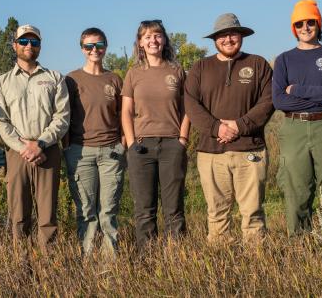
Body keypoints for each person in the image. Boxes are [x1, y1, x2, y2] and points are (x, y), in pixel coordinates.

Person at [184, 13, 274, 242]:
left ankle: (256, 269)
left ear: (241, 35)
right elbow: (191, 103)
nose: (228, 39)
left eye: (233, 34)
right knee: (216, 214)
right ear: (215, 39)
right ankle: (220, 266)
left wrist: (239, 125)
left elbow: (269, 101)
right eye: (222, 35)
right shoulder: (201, 67)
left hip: (250, 150)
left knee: (253, 213)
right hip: (211, 152)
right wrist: (217, 128)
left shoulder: (257, 64)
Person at [272, 0, 322, 236]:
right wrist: (320, 97)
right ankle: (299, 249)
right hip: (294, 128)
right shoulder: (284, 59)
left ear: (319, 23)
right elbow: (279, 101)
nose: (305, 27)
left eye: (310, 22)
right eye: (299, 23)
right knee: (296, 192)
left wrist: (296, 89)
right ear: (293, 28)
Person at [0, 24, 70, 252]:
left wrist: (41, 144)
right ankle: (22, 266)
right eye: (24, 41)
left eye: (34, 42)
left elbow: (62, 117)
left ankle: (47, 266)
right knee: (19, 213)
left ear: (40, 46)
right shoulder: (2, 82)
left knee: (47, 215)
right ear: (14, 45)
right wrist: (24, 147)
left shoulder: (54, 78)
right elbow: (0, 121)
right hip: (17, 153)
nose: (29, 46)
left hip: (48, 150)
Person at [121, 19, 190, 250]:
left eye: (157, 35)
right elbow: (126, 112)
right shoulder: (133, 73)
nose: (153, 40)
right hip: (141, 148)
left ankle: (176, 260)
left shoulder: (176, 70)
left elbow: (186, 110)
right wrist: (131, 144)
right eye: (148, 36)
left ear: (164, 40)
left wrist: (182, 140)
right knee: (144, 210)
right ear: (140, 43)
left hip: (172, 145)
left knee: (174, 209)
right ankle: (147, 261)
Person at [63, 27, 125, 256]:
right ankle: (87, 258)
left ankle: (110, 262)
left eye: (98, 45)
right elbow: (63, 116)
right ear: (82, 49)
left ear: (105, 47)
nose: (94, 50)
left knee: (108, 210)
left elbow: (123, 114)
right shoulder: (71, 79)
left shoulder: (115, 79)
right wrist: (67, 147)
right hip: (80, 152)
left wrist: (123, 143)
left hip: (111, 151)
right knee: (86, 210)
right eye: (89, 46)